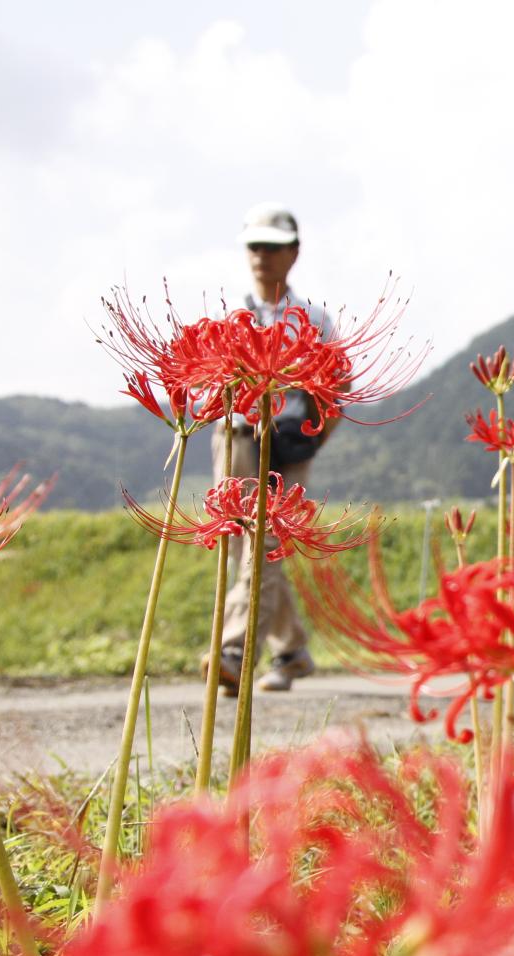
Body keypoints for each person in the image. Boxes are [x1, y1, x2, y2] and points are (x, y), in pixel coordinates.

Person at [208, 202, 339, 695]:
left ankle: (235, 652)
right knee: (243, 545)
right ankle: (292, 651)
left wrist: (311, 439)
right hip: (235, 435)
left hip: (288, 441)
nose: (263, 255)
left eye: (274, 247)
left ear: (295, 253)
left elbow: (335, 389)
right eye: (255, 246)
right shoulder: (232, 316)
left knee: (265, 543)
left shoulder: (314, 319)